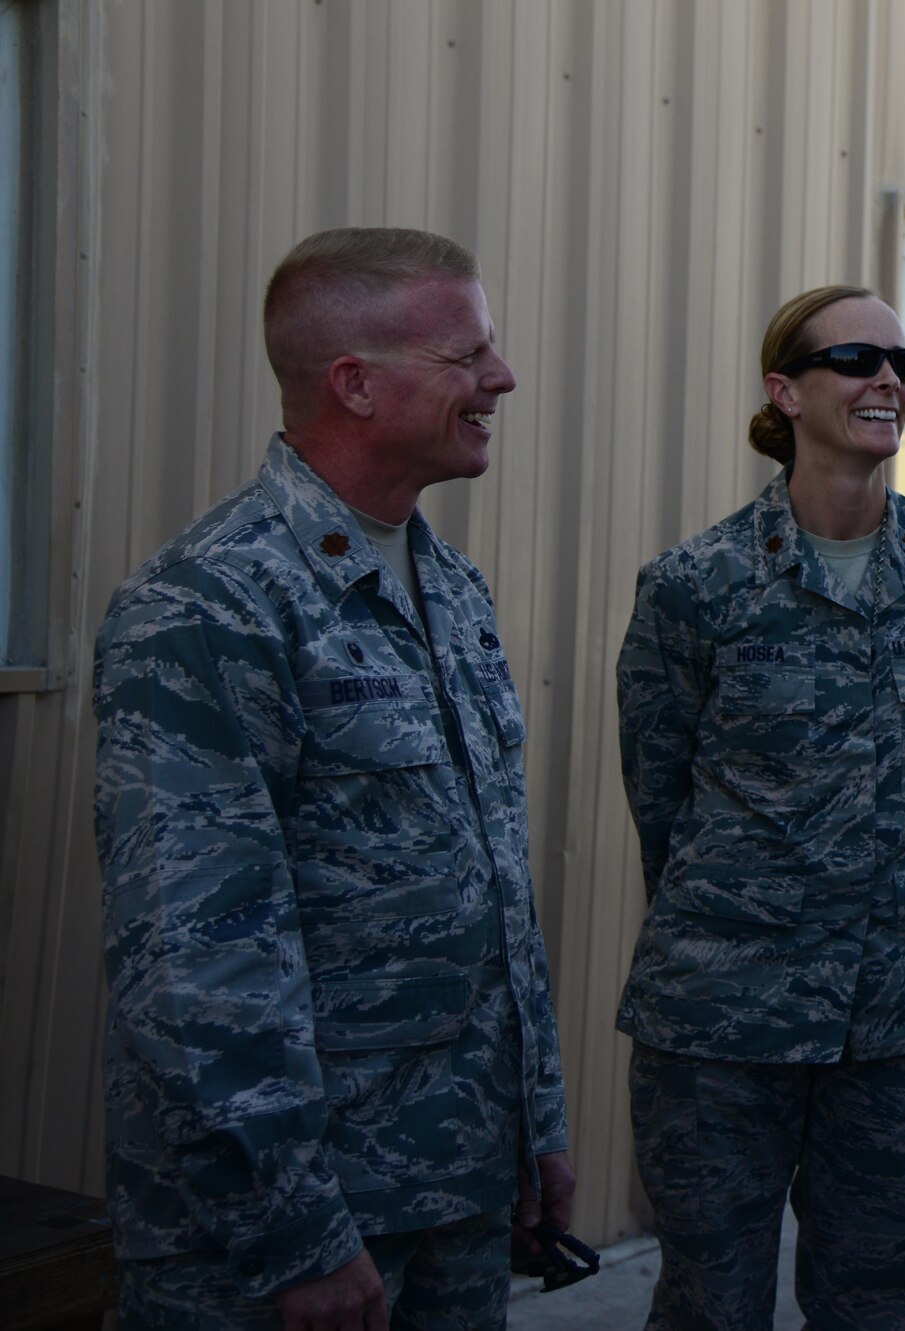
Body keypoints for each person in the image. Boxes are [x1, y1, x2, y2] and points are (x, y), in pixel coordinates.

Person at [94, 227, 573, 1329]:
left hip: (453, 1185)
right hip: (291, 1234)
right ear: (354, 384)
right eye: (468, 355)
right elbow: (194, 961)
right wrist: (293, 1228)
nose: (499, 378)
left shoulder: (447, 585)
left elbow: (495, 891)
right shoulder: (207, 606)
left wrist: (531, 1125)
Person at [616, 285, 905, 1330]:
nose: (887, 377)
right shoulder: (695, 585)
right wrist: (746, 922)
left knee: (875, 1299)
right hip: (724, 1017)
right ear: (783, 391)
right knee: (712, 1300)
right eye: (855, 359)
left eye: (903, 362)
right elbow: (661, 795)